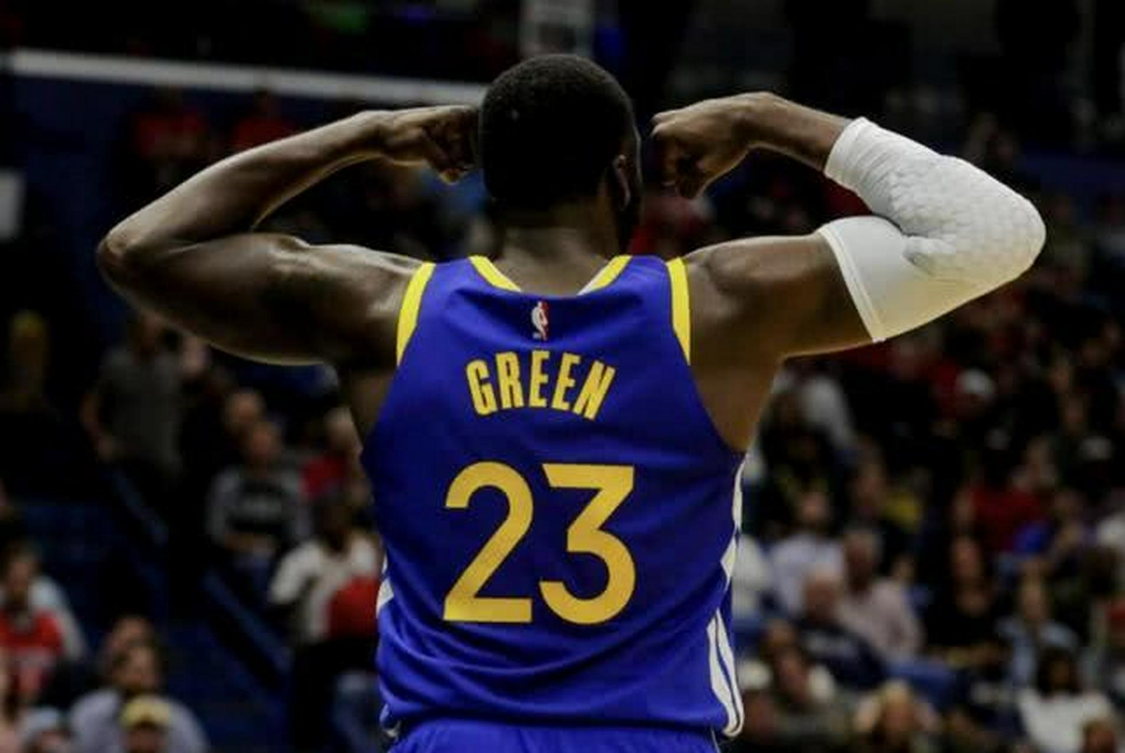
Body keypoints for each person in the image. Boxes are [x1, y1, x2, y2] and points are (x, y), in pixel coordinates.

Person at [96, 54, 1044, 751]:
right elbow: (993, 232)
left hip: (451, 734)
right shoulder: (714, 308)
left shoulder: (385, 310)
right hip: (647, 735)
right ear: (622, 176)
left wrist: (362, 136)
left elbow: (140, 251)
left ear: (488, 179)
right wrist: (763, 116)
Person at [68, 642, 207, 753]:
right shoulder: (91, 711)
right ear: (118, 673)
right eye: (135, 671)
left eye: (148, 672)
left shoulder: (178, 718)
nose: (141, 680)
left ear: (159, 677)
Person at [837, 528, 922, 661]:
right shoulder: (832, 592)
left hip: (883, 664)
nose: (856, 568)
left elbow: (912, 637)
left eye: (861, 561)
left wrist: (892, 661)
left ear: (875, 561)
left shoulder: (891, 594)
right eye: (851, 560)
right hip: (841, 662)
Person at [1017, 647, 1115, 753]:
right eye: (1056, 669)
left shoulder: (1094, 699)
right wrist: (1082, 744)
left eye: (1065, 669)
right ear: (1045, 671)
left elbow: (1108, 733)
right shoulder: (1030, 698)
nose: (1062, 674)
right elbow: (1039, 736)